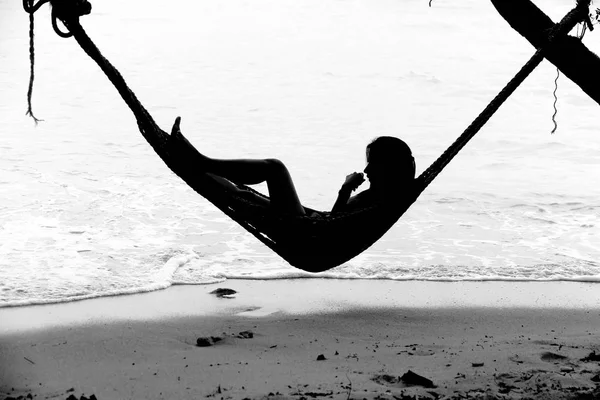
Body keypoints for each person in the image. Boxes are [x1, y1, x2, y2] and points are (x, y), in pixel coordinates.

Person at [171, 122, 415, 216]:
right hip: (308, 225)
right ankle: (197, 166)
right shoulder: (384, 195)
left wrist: (345, 189)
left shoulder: (382, 199)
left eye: (374, 163)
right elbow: (337, 224)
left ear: (390, 167)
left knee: (275, 168)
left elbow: (335, 228)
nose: (367, 168)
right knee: (242, 194)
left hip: (307, 234)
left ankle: (199, 162)